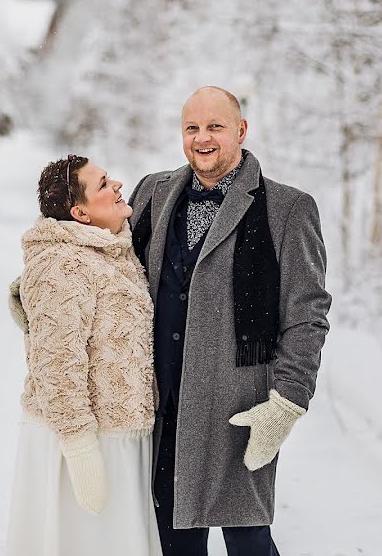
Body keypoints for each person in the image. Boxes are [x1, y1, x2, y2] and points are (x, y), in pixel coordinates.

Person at [127, 86, 332, 556]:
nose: (203, 138)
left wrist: (287, 402)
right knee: (171, 538)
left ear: (241, 130)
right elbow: (106, 266)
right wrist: (47, 284)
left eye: (215, 127)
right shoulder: (152, 194)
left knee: (248, 540)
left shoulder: (287, 209)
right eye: (192, 128)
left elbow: (307, 315)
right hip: (161, 403)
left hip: (237, 408)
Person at [6, 154, 162, 556]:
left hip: (122, 434)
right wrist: (80, 449)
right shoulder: (62, 262)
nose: (117, 186)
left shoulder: (113, 250)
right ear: (81, 213)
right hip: (80, 442)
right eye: (104, 184)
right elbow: (56, 365)